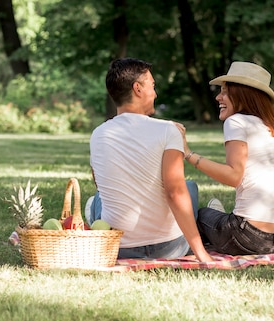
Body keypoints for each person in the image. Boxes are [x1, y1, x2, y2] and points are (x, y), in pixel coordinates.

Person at [88, 58, 212, 262]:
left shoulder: (98, 134)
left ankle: (92, 208)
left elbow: (100, 183)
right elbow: (174, 192)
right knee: (188, 187)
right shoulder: (168, 130)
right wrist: (201, 253)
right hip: (170, 248)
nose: (155, 93)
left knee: (100, 197)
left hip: (118, 247)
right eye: (152, 86)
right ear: (137, 88)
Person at [177, 61, 274, 255]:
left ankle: (216, 222)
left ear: (243, 94)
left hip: (250, 238)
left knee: (201, 215)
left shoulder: (236, 121)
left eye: (225, 92)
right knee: (215, 218)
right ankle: (221, 219)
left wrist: (188, 153)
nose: (218, 97)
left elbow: (233, 176)